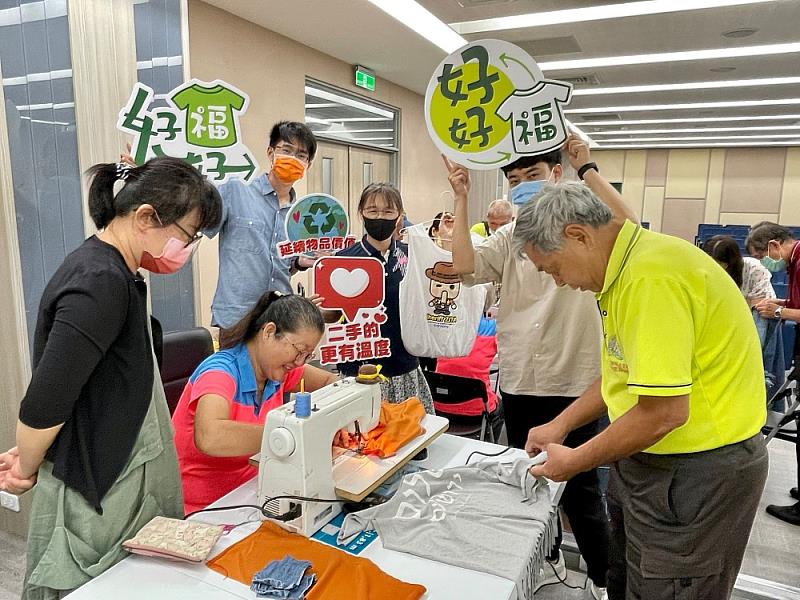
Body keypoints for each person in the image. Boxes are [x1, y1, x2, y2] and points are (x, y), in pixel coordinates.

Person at [514, 181, 769, 600]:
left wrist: (575, 460)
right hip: (651, 462)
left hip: (695, 474)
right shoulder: (627, 270)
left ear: (578, 236)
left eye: (553, 267)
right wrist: (560, 424)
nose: (559, 282)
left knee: (668, 586)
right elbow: (623, 372)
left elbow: (663, 412)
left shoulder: (650, 278)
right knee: (630, 579)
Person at [0, 157, 222, 599]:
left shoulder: (121, 273)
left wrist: (34, 447)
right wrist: (26, 463)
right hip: (102, 486)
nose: (186, 247)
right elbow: (47, 399)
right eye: (186, 235)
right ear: (144, 217)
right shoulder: (98, 280)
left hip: (120, 467)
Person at [445, 134, 632, 598]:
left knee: (584, 488)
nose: (523, 186)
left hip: (578, 380)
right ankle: (544, 559)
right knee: (526, 481)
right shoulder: (509, 239)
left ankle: (600, 576)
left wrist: (587, 167)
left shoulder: (585, 231)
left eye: (533, 175)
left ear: (555, 174)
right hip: (521, 377)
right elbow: (463, 265)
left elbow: (630, 228)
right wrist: (462, 196)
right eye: (514, 180)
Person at [172, 292, 337, 514]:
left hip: (252, 495)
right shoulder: (220, 372)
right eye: (298, 351)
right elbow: (210, 436)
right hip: (204, 510)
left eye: (307, 356)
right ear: (269, 332)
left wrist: (334, 421)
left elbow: (330, 381)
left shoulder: (278, 371)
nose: (299, 362)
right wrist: (290, 436)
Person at [206, 121, 318, 337]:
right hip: (237, 318)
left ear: (308, 165)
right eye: (287, 150)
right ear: (270, 152)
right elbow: (194, 218)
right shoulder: (235, 192)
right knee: (234, 371)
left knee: (279, 372)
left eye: (301, 155)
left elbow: (284, 264)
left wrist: (298, 262)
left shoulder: (302, 215)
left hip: (281, 318)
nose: (293, 159)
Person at [335, 183, 434, 413]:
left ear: (399, 216)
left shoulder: (410, 257)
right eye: (373, 210)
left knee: (409, 437)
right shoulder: (343, 259)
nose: (380, 217)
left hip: (403, 363)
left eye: (388, 211)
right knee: (362, 441)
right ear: (361, 213)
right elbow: (334, 317)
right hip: (359, 368)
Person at [745, 221, 800, 525]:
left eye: (761, 255)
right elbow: (796, 304)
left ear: (774, 246)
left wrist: (777, 313)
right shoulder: (795, 264)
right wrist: (777, 304)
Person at [434, 317, 504, 441]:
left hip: (440, 405)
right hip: (476, 411)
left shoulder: (444, 326)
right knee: (500, 405)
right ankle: (492, 444)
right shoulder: (492, 328)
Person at [703, 235, 775, 306]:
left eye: (718, 263)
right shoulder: (704, 271)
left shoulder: (756, 269)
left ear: (730, 262)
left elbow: (762, 303)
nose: (713, 268)